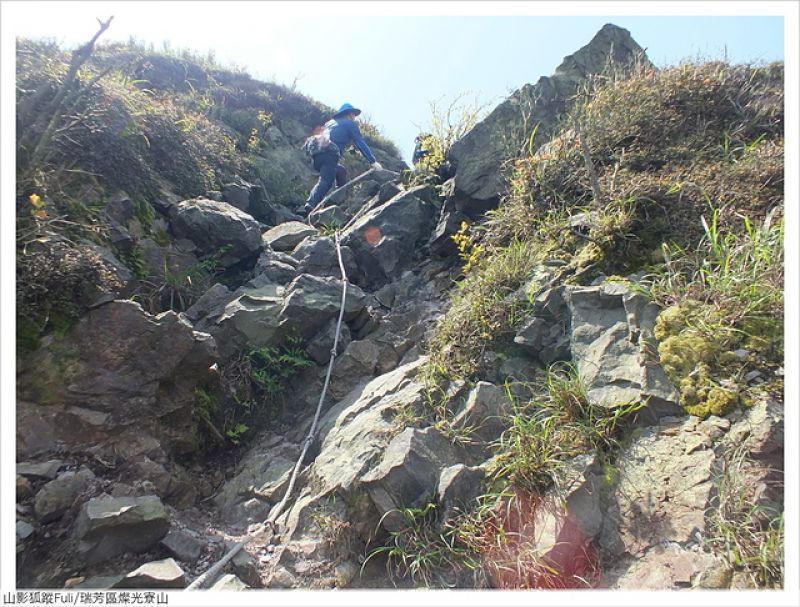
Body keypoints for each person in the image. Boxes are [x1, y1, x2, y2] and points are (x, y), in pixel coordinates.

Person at [301, 103, 382, 216]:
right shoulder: (350, 124)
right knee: (326, 180)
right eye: (354, 115)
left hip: (316, 157)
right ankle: (310, 205)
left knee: (340, 171)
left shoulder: (329, 124)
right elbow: (360, 142)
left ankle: (337, 200)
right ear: (349, 114)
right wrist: (372, 161)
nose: (354, 117)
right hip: (329, 155)